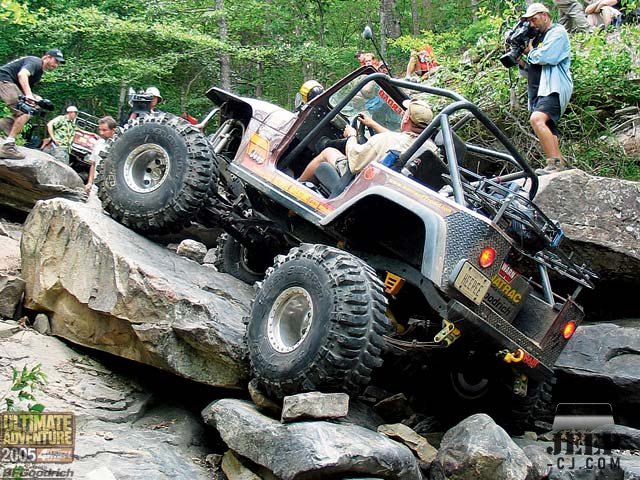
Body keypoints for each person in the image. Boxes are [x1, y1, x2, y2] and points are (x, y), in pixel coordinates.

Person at [298, 99, 433, 183]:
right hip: (387, 184)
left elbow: (355, 162)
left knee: (328, 152)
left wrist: (351, 136)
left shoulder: (385, 140)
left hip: (361, 181)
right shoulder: (429, 148)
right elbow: (401, 138)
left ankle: (296, 190)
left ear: (406, 119)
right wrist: (372, 124)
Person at [519, 3, 573, 174]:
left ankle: (554, 163)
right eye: (529, 21)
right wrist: (521, 60)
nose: (532, 24)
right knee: (549, 127)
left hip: (554, 87)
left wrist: (531, 52)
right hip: (539, 90)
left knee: (537, 120)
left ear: (544, 15)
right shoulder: (537, 39)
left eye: (534, 19)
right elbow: (531, 69)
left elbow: (548, 56)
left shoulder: (557, 32)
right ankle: (560, 166)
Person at [0, 49, 65, 159]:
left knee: (34, 104)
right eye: (55, 61)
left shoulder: (39, 72)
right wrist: (29, 95)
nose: (56, 64)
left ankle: (6, 123)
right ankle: (8, 147)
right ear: (47, 57)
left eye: (58, 63)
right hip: (4, 80)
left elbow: (23, 88)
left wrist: (38, 100)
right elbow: (22, 74)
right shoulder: (36, 62)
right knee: (25, 110)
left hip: (10, 83)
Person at [84, 116, 117, 194]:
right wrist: (89, 183)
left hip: (110, 187)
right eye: (100, 130)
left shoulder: (118, 145)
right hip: (95, 185)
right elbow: (93, 164)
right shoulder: (98, 143)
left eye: (105, 130)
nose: (101, 133)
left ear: (113, 130)